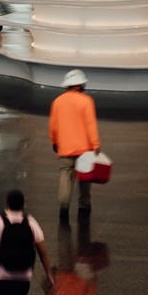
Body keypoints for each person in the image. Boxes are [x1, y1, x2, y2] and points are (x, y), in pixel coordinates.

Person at [49, 70, 100, 220]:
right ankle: (84, 205)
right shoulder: (86, 101)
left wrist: (54, 142)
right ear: (78, 85)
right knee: (85, 176)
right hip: (84, 149)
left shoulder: (57, 102)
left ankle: (64, 208)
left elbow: (53, 126)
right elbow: (91, 125)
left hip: (65, 148)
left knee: (65, 175)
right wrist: (95, 144)